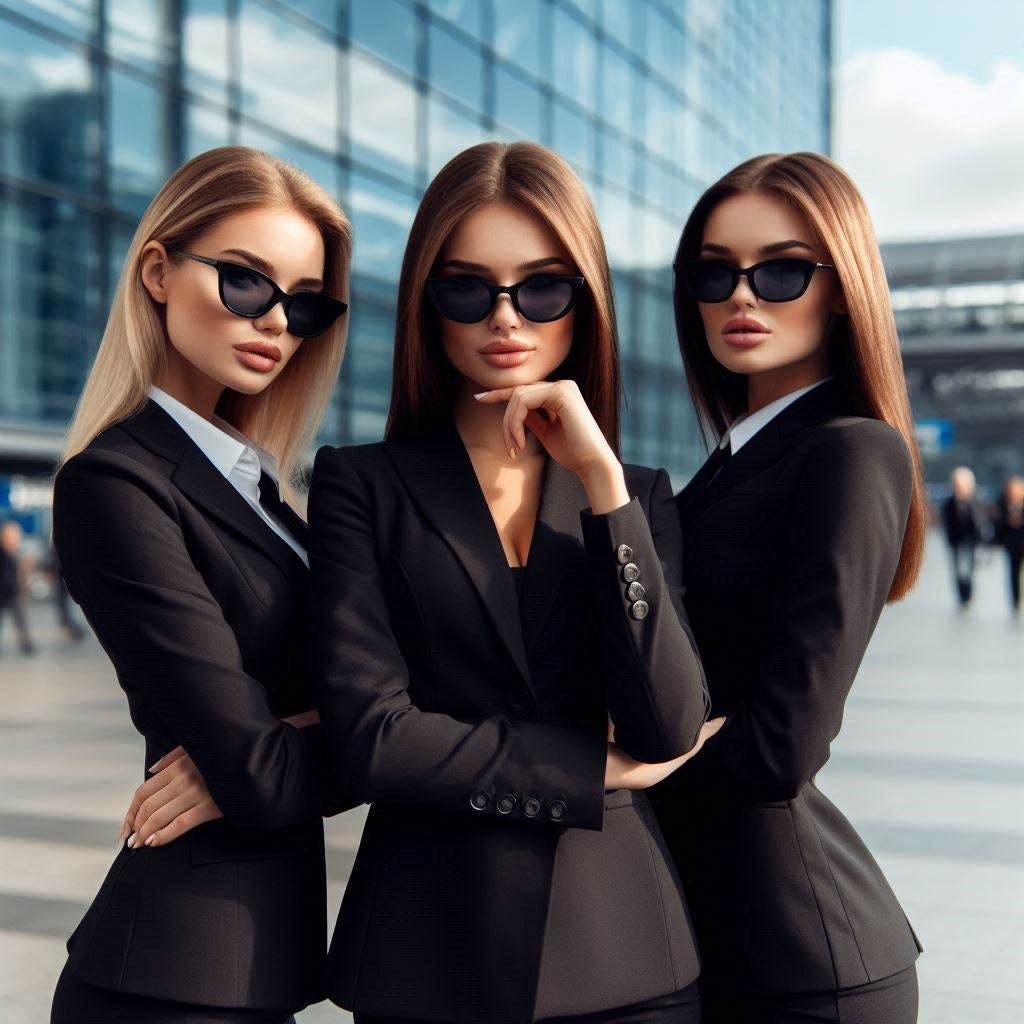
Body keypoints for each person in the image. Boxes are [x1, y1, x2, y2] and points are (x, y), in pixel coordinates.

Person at [307, 141, 720, 1024]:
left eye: (541, 288)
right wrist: (584, 767)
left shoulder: (636, 492)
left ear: (583, 303)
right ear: (429, 305)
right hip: (426, 952)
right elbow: (372, 735)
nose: (507, 318)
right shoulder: (359, 482)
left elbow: (669, 721)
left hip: (624, 956)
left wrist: (604, 489)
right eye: (468, 288)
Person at [49, 146, 354, 1024]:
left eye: (303, 303)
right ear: (157, 270)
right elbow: (255, 775)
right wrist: (375, 728)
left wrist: (313, 725)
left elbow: (286, 738)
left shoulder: (264, 493)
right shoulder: (116, 483)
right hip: (170, 978)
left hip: (247, 965)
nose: (276, 324)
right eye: (246, 282)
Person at [652, 152, 928, 1024]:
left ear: (842, 287)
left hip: (800, 963)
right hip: (718, 935)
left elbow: (782, 745)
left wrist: (602, 775)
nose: (743, 296)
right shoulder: (733, 459)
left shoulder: (849, 449)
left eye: (779, 271)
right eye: (714, 272)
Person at [940, 466, 987, 609]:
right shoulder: (949, 504)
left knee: (968, 570)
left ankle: (968, 596)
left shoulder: (974, 501)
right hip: (956, 541)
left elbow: (979, 522)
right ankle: (961, 597)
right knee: (957, 570)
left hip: (970, 541)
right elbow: (947, 523)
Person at [0, 520, 36, 656]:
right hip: (2, 592)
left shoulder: (16, 553)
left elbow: (21, 573)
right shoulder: (3, 553)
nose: (14, 539)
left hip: (14, 592)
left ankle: (26, 645)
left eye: (16, 536)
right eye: (11, 536)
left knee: (21, 620)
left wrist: (24, 588)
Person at [991, 475, 1024, 614]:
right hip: (1011, 545)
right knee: (1013, 573)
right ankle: (1015, 601)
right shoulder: (1003, 503)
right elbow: (997, 523)